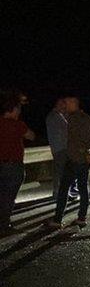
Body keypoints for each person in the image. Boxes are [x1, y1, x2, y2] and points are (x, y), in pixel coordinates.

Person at [47, 97, 90, 229]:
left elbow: (75, 139)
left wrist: (84, 151)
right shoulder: (87, 118)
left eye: (67, 103)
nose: (65, 105)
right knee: (83, 187)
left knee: (64, 188)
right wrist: (87, 149)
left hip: (74, 159)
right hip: (83, 160)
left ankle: (58, 219)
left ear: (74, 104)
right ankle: (82, 218)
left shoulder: (73, 119)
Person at [0, 93, 35, 235]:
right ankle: (4, 225)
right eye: (18, 109)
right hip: (13, 165)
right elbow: (31, 136)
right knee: (9, 196)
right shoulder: (18, 124)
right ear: (13, 109)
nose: (19, 112)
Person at [46, 97, 78, 199]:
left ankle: (59, 192)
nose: (64, 106)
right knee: (62, 171)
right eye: (62, 104)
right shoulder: (54, 116)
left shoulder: (58, 116)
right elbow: (67, 129)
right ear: (57, 105)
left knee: (61, 171)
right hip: (60, 148)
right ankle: (60, 193)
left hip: (60, 148)